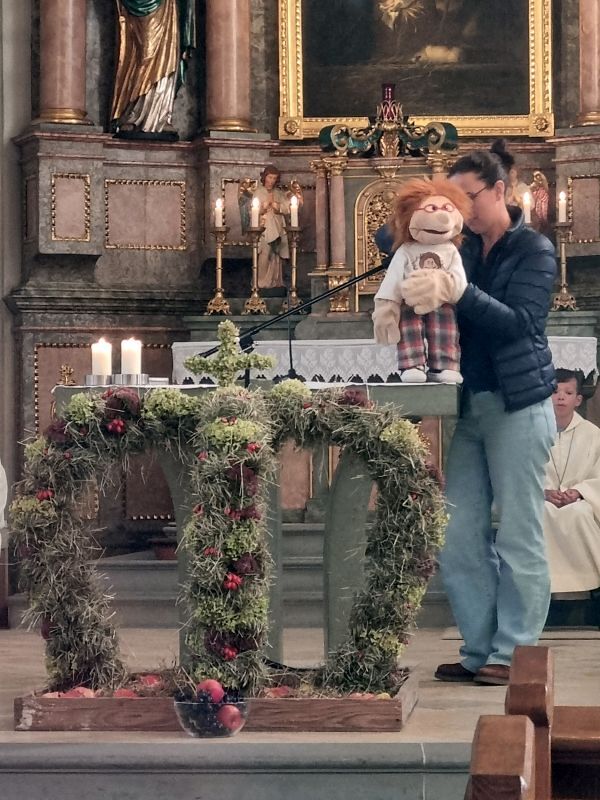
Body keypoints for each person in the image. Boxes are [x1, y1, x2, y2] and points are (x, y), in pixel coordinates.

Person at [398, 139, 557, 685]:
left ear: (499, 190)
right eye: (453, 201)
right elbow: (393, 242)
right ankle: (479, 648)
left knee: (518, 535)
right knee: (457, 533)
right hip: (472, 406)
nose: (460, 210)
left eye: (467, 198)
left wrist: (459, 292)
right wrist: (417, 223)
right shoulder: (460, 248)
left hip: (519, 404)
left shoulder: (534, 249)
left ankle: (512, 655)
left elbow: (521, 323)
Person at [544, 369, 600, 594]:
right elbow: (523, 470)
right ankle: (542, 583)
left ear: (578, 400)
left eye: (568, 393)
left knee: (579, 513)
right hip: (543, 499)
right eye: (555, 392)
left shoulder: (593, 434)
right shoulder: (534, 432)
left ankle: (589, 581)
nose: (560, 397)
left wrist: (579, 492)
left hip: (581, 502)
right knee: (541, 511)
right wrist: (543, 492)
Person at [111, 0, 196, 135]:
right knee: (143, 57)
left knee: (166, 57)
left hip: (168, 6)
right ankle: (132, 114)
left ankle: (161, 117)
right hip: (138, 8)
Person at [252, 166, 302, 290]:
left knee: (276, 253)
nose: (271, 181)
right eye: (270, 177)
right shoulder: (259, 192)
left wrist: (276, 206)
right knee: (265, 252)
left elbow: (287, 207)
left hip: (278, 225)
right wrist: (264, 206)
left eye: (274, 178)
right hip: (264, 227)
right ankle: (261, 282)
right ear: (265, 177)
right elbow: (252, 210)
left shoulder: (278, 193)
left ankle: (275, 281)